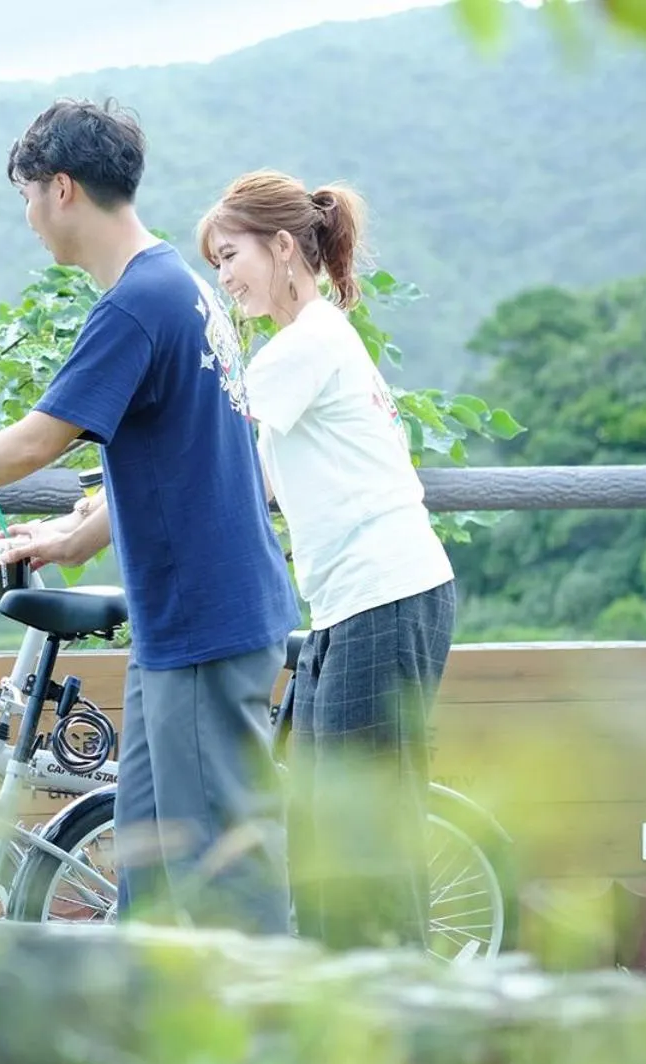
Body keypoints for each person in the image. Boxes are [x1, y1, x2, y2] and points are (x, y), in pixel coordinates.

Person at [0, 99, 300, 933]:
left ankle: (290, 1045)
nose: (26, 218)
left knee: (232, 870)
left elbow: (38, 440)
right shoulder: (182, 289)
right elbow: (175, 461)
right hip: (194, 624)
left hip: (205, 625)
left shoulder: (136, 304)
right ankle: (142, 1040)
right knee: (153, 870)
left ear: (60, 190)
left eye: (24, 196)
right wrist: (72, 536)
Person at [195, 169, 457, 951]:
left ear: (282, 248)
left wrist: (87, 526)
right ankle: (378, 1023)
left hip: (385, 597)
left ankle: (401, 1030)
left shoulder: (300, 349)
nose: (224, 277)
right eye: (214, 264)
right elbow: (261, 480)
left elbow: (215, 462)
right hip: (364, 603)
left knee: (356, 838)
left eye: (231, 254)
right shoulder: (316, 342)